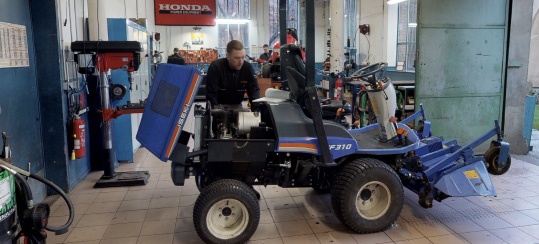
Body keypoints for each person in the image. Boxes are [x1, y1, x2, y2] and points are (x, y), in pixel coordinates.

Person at [205, 40, 260, 110]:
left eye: (243, 57)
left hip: (237, 106)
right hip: (218, 107)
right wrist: (215, 113)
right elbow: (211, 95)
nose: (241, 62)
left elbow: (254, 91)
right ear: (228, 56)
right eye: (237, 58)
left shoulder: (247, 68)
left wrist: (256, 113)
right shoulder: (216, 67)